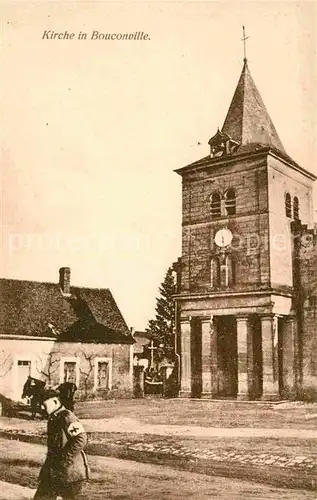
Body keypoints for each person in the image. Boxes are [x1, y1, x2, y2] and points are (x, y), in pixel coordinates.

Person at [33, 389, 90, 500]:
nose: (42, 408)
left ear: (55, 402)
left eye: (44, 405)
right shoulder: (53, 418)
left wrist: (64, 460)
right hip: (55, 471)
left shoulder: (67, 416)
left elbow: (81, 439)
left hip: (71, 473)